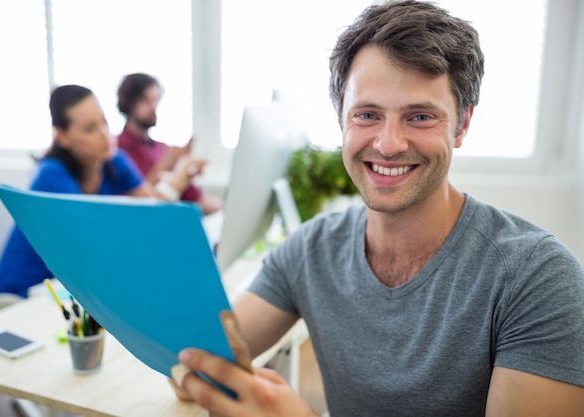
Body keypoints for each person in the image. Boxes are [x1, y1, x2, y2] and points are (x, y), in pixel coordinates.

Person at [168, 1, 584, 416]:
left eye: (420, 117)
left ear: (463, 124)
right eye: (367, 114)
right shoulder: (312, 249)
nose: (388, 144)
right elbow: (190, 362)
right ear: (341, 120)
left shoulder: (538, 278)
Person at [0, 84, 195, 298]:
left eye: (104, 122)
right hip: (23, 296)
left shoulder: (115, 162)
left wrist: (179, 180)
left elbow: (154, 206)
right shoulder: (52, 176)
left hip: (68, 292)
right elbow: (92, 248)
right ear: (62, 136)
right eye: (90, 128)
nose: (104, 134)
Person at [117, 73, 222, 215]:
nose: (152, 108)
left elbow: (193, 196)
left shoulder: (162, 148)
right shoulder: (117, 151)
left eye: (155, 100)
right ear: (129, 102)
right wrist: (167, 165)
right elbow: (134, 201)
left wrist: (184, 171)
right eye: (145, 100)